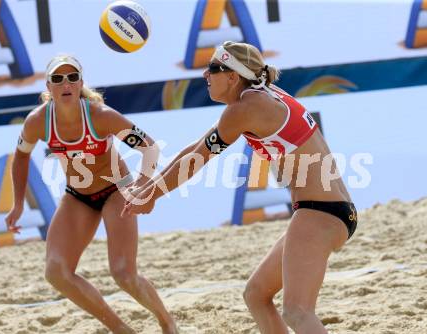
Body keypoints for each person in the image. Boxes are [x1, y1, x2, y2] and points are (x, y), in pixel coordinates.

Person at [122, 41, 358, 334]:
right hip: (326, 211)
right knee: (256, 295)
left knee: (298, 312)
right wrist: (149, 191)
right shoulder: (260, 96)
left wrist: (152, 196)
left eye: (212, 69)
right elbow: (195, 149)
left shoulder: (247, 108)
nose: (205, 75)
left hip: (319, 213)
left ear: (232, 76)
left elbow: (198, 159)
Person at [5, 55, 178, 334]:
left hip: (116, 190)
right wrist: (17, 205)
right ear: (49, 86)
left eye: (72, 77)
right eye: (58, 78)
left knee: (123, 274)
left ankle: (167, 322)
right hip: (78, 196)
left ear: (81, 83)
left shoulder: (101, 115)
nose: (66, 83)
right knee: (56, 272)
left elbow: (150, 148)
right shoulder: (37, 121)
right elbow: (21, 157)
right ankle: (120, 329)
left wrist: (143, 188)